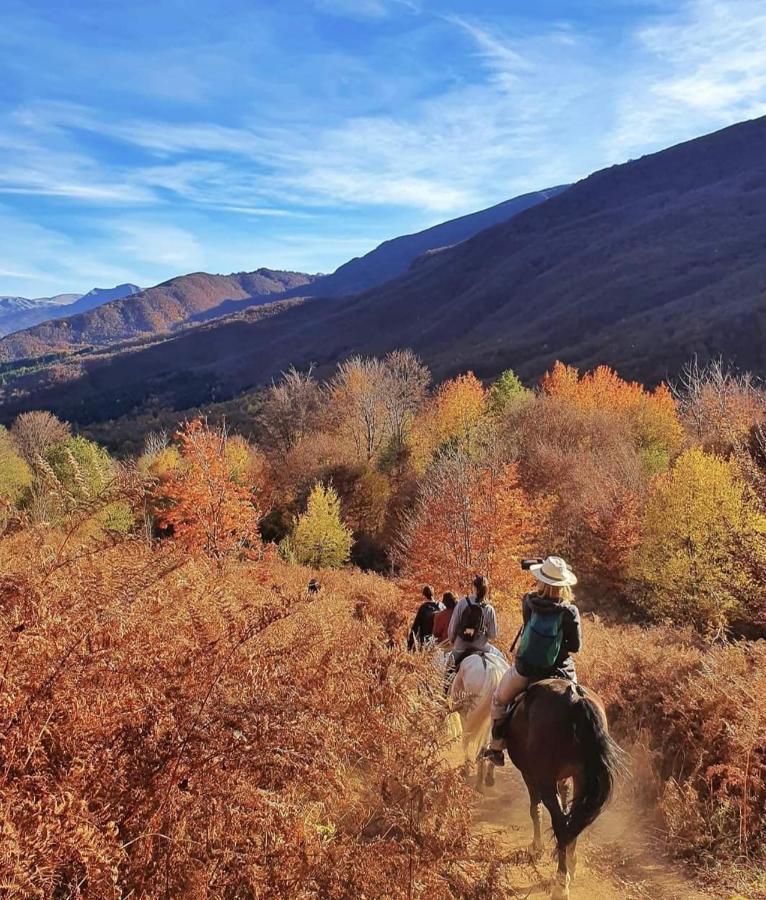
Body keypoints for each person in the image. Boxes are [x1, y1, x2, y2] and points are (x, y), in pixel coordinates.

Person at [484, 556, 581, 766]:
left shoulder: (528, 601)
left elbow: (528, 629)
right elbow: (575, 647)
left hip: (527, 669)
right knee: (580, 704)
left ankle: (496, 748)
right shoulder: (570, 611)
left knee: (499, 700)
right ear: (563, 584)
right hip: (561, 671)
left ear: (541, 580)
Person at [445, 575, 498, 687]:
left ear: (473, 587)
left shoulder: (462, 603)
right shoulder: (489, 608)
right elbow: (493, 635)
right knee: (501, 658)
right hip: (481, 646)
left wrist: (452, 640)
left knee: (447, 670)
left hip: (461, 646)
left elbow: (452, 628)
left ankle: (444, 697)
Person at [407, 585, 442, 651]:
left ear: (424, 595)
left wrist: (410, 644)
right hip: (440, 641)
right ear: (433, 594)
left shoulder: (423, 608)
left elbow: (415, 626)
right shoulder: (440, 606)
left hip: (426, 641)